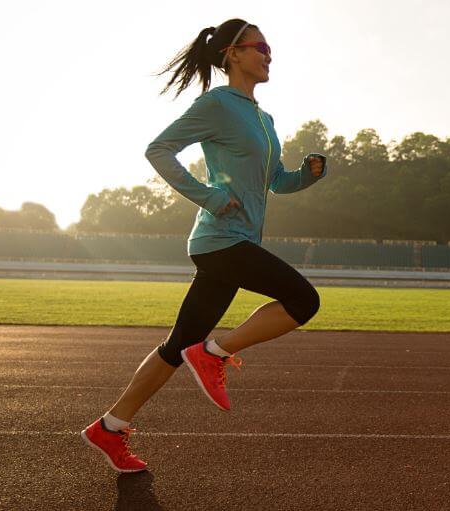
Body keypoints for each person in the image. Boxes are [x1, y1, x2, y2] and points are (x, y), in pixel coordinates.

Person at [80, 18, 328, 473]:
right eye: (260, 47)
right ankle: (214, 353)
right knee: (302, 299)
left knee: (177, 346)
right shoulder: (216, 104)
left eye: (270, 49)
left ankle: (110, 427)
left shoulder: (264, 119)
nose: (268, 54)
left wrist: (306, 177)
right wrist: (210, 195)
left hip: (236, 241)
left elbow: (275, 182)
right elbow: (159, 150)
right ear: (232, 54)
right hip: (220, 239)